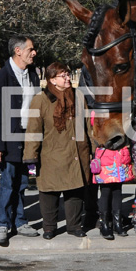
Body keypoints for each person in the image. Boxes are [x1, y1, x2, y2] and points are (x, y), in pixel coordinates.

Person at [23, 63, 91, 240]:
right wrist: (31, 156)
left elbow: (88, 125)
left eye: (68, 74)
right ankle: (49, 227)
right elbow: (33, 130)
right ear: (52, 79)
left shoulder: (78, 96)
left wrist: (95, 147)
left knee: (75, 190)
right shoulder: (41, 99)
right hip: (51, 153)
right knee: (49, 192)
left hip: (77, 152)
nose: (68, 78)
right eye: (63, 75)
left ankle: (74, 226)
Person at [0, 35, 41, 243]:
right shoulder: (2, 77)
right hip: (8, 139)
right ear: (18, 51)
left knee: (23, 182)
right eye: (31, 49)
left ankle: (20, 221)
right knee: (8, 182)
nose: (34, 52)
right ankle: (2, 224)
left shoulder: (33, 75)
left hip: (28, 138)